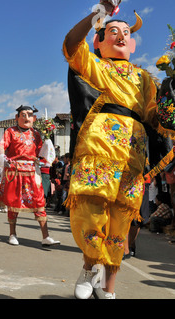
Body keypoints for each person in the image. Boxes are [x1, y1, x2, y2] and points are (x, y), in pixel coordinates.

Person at [63, 1, 172, 299]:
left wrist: (168, 104)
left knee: (120, 224)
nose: (121, 35)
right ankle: (89, 266)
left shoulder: (146, 79)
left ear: (133, 44)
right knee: (92, 212)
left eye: (126, 32)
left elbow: (157, 119)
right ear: (99, 41)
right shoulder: (95, 66)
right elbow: (72, 45)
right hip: (98, 148)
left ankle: (109, 290)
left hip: (132, 155)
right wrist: (100, 12)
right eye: (113, 31)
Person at [0, 105, 60, 247]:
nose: (26, 118)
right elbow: (2, 146)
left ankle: (46, 236)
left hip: (32, 171)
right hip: (15, 170)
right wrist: (2, 155)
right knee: (14, 203)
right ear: (16, 117)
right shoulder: (10, 131)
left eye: (29, 115)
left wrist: (48, 142)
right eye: (23, 115)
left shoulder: (36, 134)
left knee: (39, 202)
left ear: (34, 118)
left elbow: (41, 152)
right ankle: (12, 234)